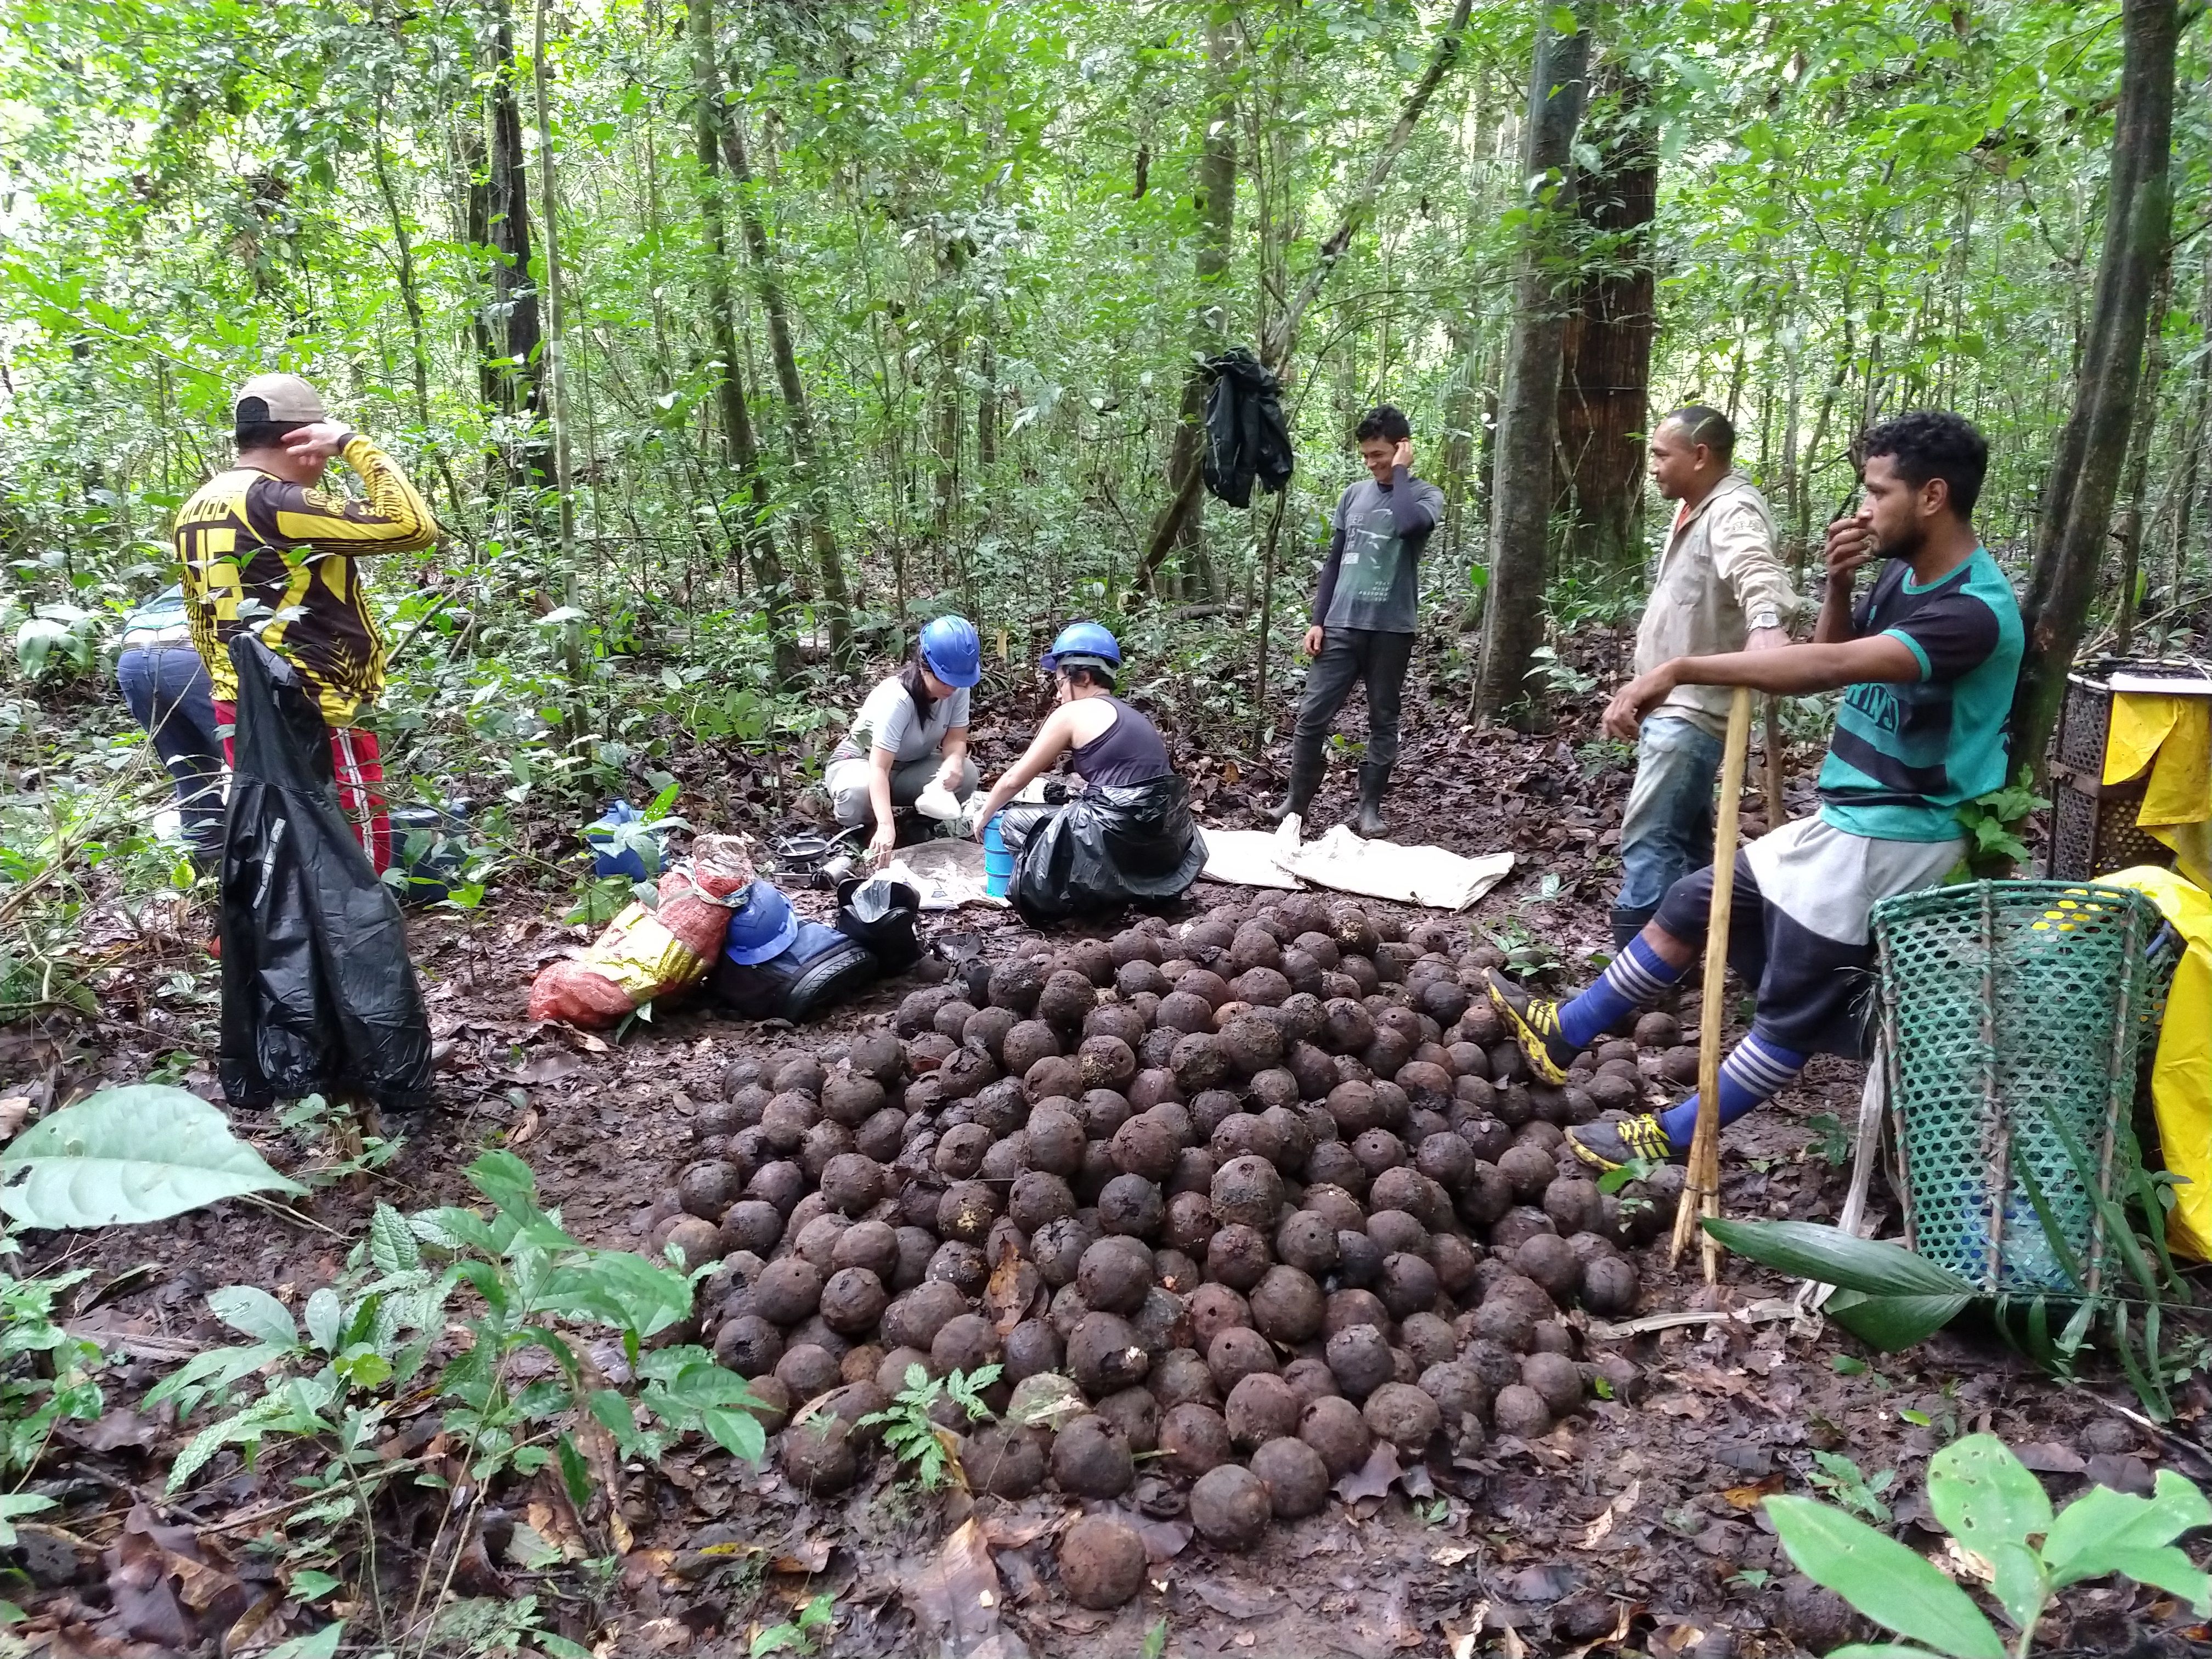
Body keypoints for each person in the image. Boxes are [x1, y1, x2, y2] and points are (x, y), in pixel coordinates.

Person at [1485, 411, 2022, 1170]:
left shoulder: (1973, 612)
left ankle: (1671, 1138)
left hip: (1894, 837)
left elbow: (1829, 671)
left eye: (1877, 492)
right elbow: (1833, 646)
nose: (1863, 509)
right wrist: (1839, 583)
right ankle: (1565, 1031)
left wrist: (1682, 670)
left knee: (1789, 1018)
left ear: (1932, 496)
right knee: (1692, 901)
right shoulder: (1904, 573)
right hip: (1847, 817)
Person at [175, 374, 440, 873]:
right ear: (304, 443)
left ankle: (293, 947)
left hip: (240, 703)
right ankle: (359, 947)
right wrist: (352, 444)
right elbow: (412, 526)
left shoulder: (198, 503)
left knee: (280, 840)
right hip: (313, 703)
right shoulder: (274, 501)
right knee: (352, 846)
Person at [1610, 406, 1796, 949]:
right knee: (1689, 845)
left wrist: (1766, 625)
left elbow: (1755, 567)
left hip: (1692, 710)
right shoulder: (1696, 506)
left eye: (1662, 455)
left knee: (1650, 835)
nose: (1653, 466)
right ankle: (1708, 957)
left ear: (1700, 455)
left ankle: (1634, 971)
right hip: (1671, 704)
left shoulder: (1732, 508)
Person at [1267, 404, 1444, 836]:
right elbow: (1334, 562)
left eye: (1380, 454)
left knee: (1383, 718)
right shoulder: (1352, 495)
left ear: (1402, 449)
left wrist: (1400, 474)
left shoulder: (1426, 495)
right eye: (1366, 456)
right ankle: (1296, 804)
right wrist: (1318, 619)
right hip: (1342, 624)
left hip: (1391, 628)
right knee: (1312, 717)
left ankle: (1369, 810)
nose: (1372, 463)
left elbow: (1406, 526)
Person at [969, 622, 1205, 918]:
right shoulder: (1132, 715)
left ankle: (1063, 898)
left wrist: (984, 813)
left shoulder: (1072, 713)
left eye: (1058, 684)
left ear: (1080, 676)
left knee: (1014, 821)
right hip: (1163, 845)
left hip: (1116, 837)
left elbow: (1015, 778)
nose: (1057, 696)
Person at [825, 615, 983, 866]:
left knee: (967, 773)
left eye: (957, 681)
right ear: (924, 667)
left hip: (911, 765)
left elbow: (955, 738)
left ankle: (917, 823)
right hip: (863, 763)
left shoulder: (958, 688)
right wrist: (886, 825)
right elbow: (879, 767)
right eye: (945, 679)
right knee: (855, 792)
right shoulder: (898, 697)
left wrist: (954, 760)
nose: (951, 688)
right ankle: (859, 832)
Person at [116, 583, 227, 871]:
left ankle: (207, 858)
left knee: (188, 766)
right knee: (249, 762)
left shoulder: (191, 578)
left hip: (132, 656)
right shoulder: (252, 574)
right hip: (188, 654)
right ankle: (271, 856)